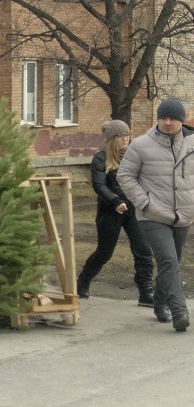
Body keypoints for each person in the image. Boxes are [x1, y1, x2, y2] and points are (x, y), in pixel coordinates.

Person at [118, 98, 194, 331]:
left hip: (184, 214)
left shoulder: (191, 145)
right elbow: (125, 176)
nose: (167, 122)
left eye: (172, 118)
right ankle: (179, 310)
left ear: (181, 121)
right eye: (163, 118)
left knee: (173, 262)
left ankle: (159, 302)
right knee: (168, 260)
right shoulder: (141, 145)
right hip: (153, 215)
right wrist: (144, 202)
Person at [75, 120, 154, 306]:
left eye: (127, 135)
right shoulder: (101, 158)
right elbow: (99, 185)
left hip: (133, 211)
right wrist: (115, 201)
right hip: (109, 212)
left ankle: (146, 293)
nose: (125, 139)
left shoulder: (135, 156)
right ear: (112, 139)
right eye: (120, 136)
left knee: (143, 251)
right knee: (104, 253)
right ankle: (82, 283)